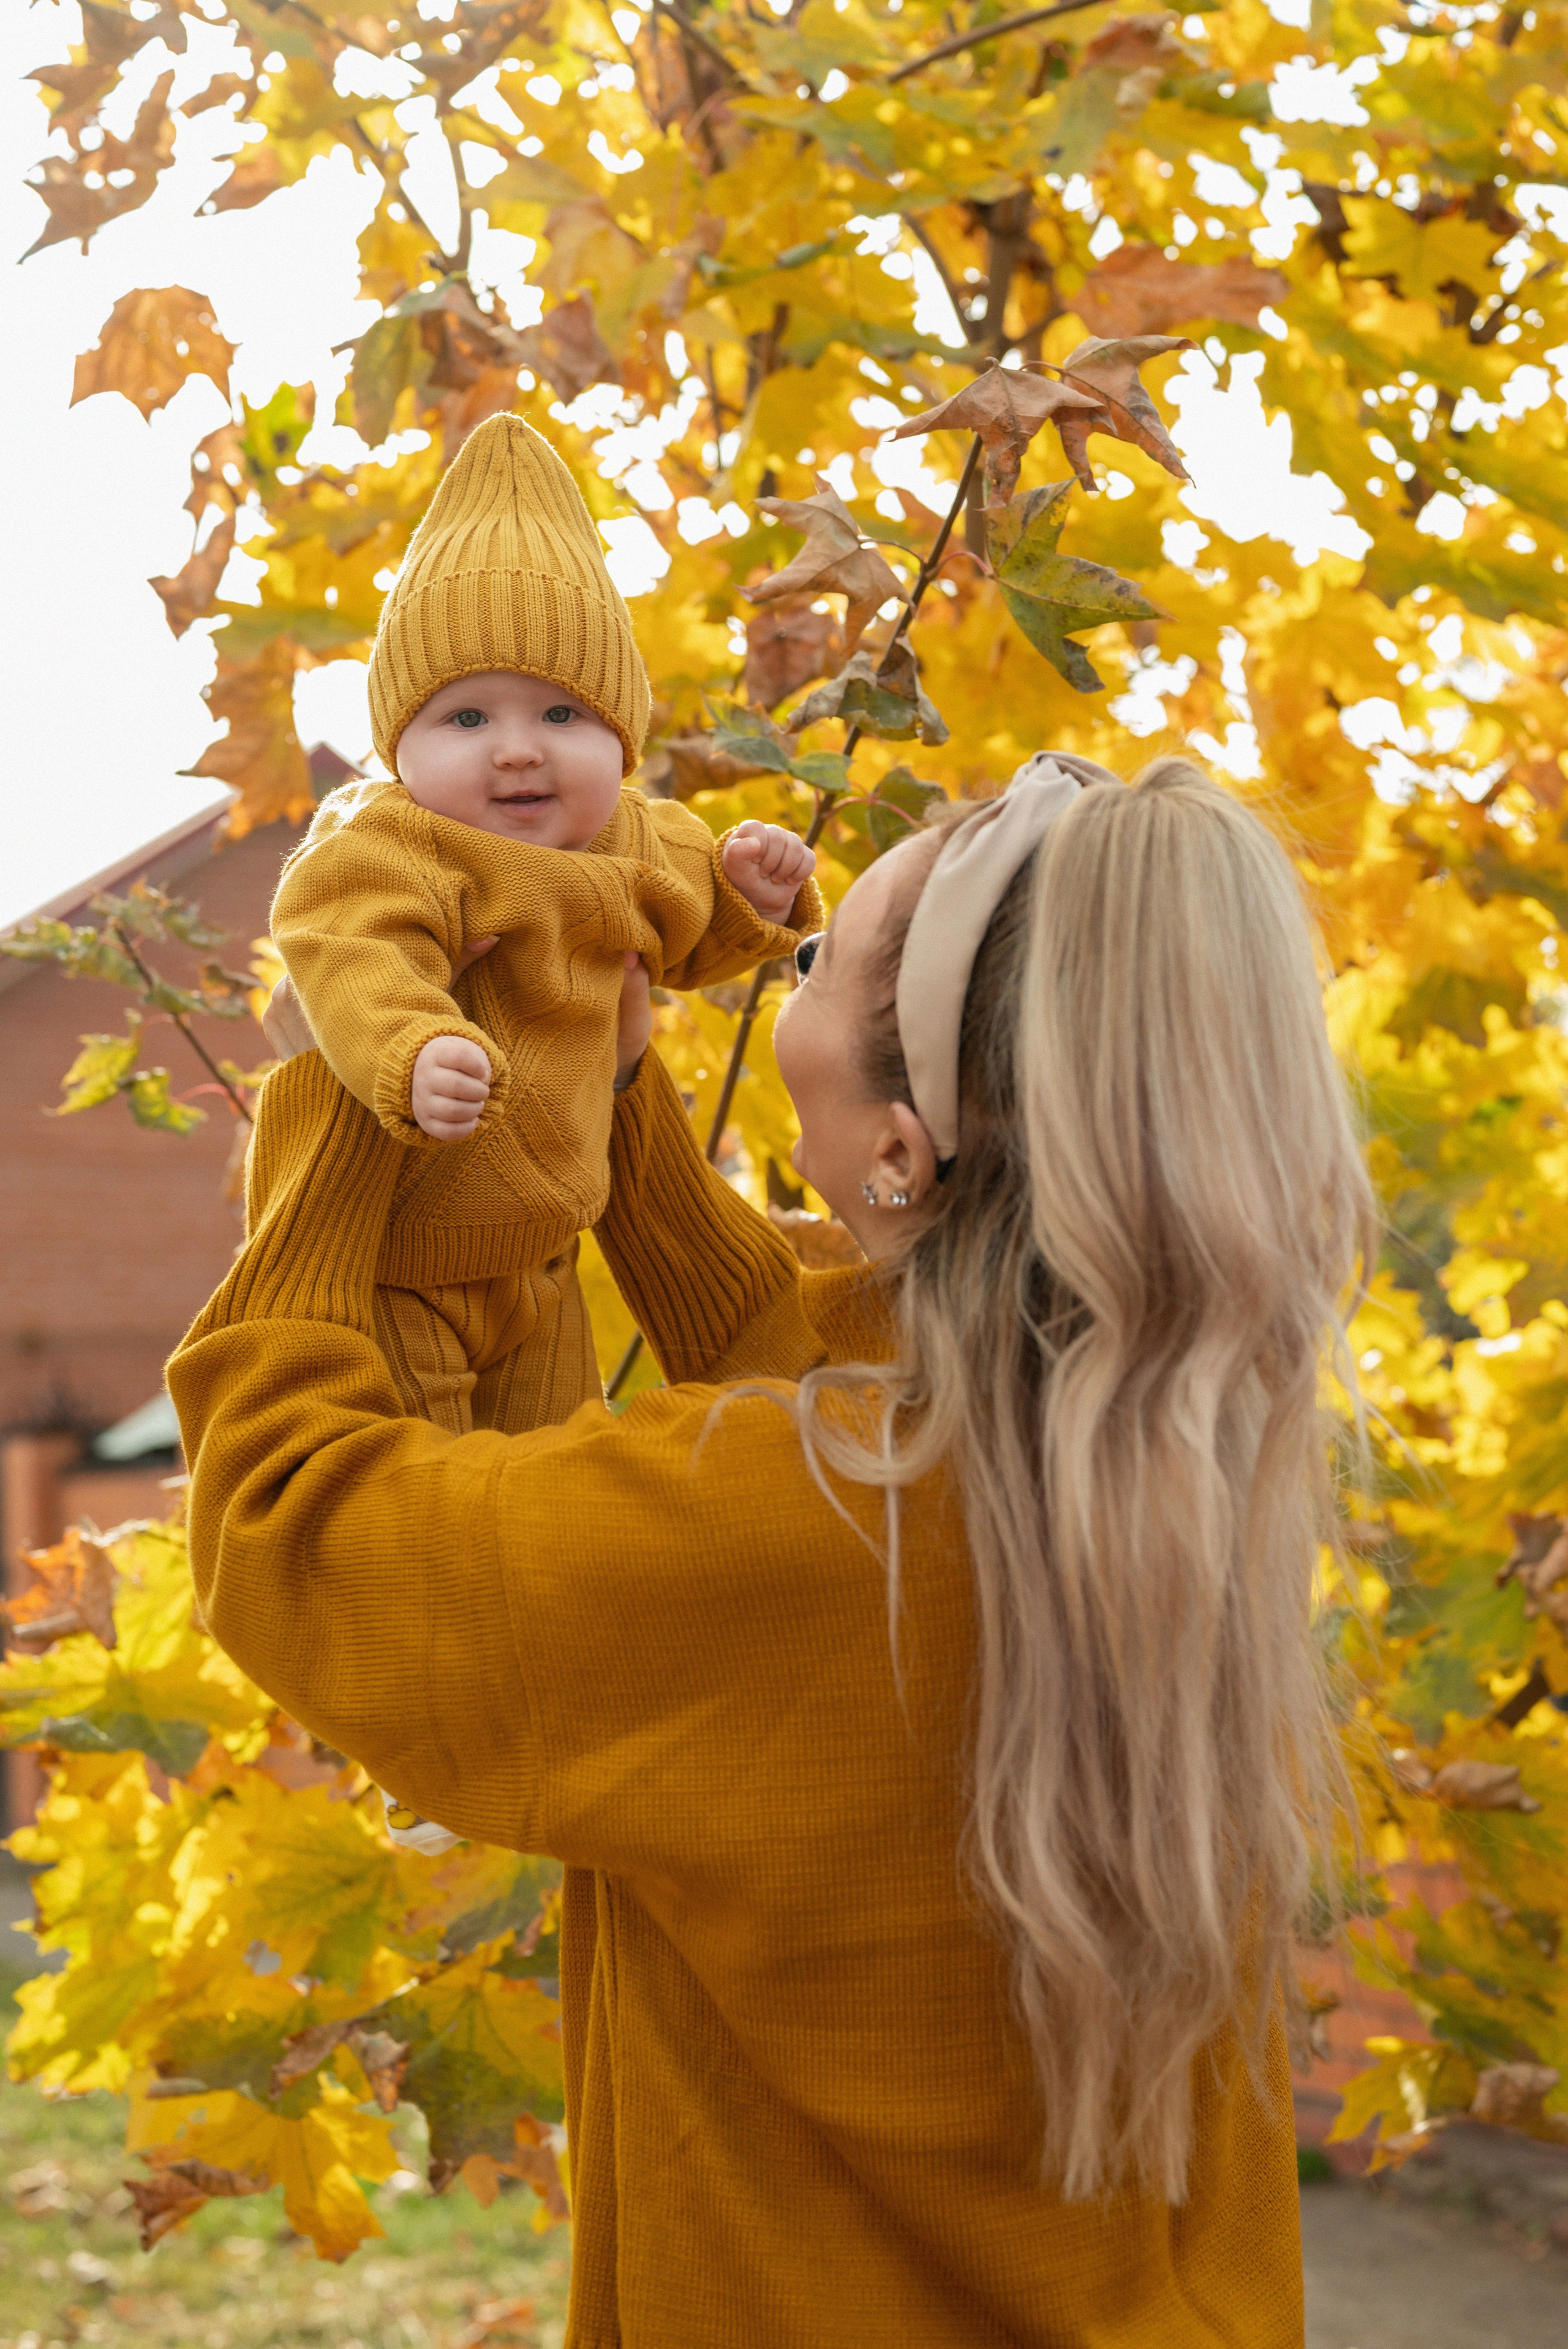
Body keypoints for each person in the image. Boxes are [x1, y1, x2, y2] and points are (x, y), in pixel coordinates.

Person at [169, 750, 1374, 2347]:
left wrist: (347, 1086)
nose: (781, 974)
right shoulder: (1161, 1478)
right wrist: (605, 1091)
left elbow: (291, 1517)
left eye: (814, 962)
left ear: (899, 1140)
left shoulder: (792, 1533)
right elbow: (802, 1342)